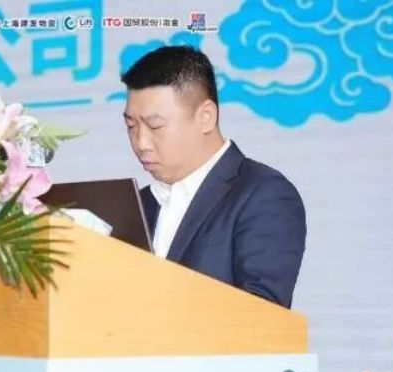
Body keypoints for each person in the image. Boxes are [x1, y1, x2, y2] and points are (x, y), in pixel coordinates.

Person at [121, 45, 306, 309]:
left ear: (206, 117)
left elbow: (262, 316)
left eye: (155, 126)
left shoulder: (264, 194)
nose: (141, 143)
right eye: (131, 126)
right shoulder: (138, 205)